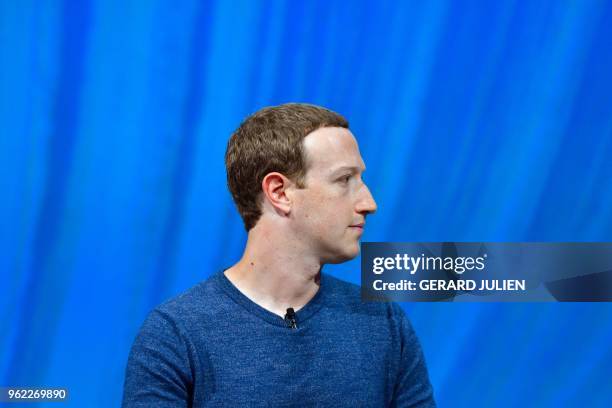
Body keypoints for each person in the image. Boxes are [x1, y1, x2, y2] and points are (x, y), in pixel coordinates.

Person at [122, 103, 436, 407]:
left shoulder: (383, 322)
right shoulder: (176, 335)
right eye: (344, 180)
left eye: (361, 180)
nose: (369, 203)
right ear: (279, 193)